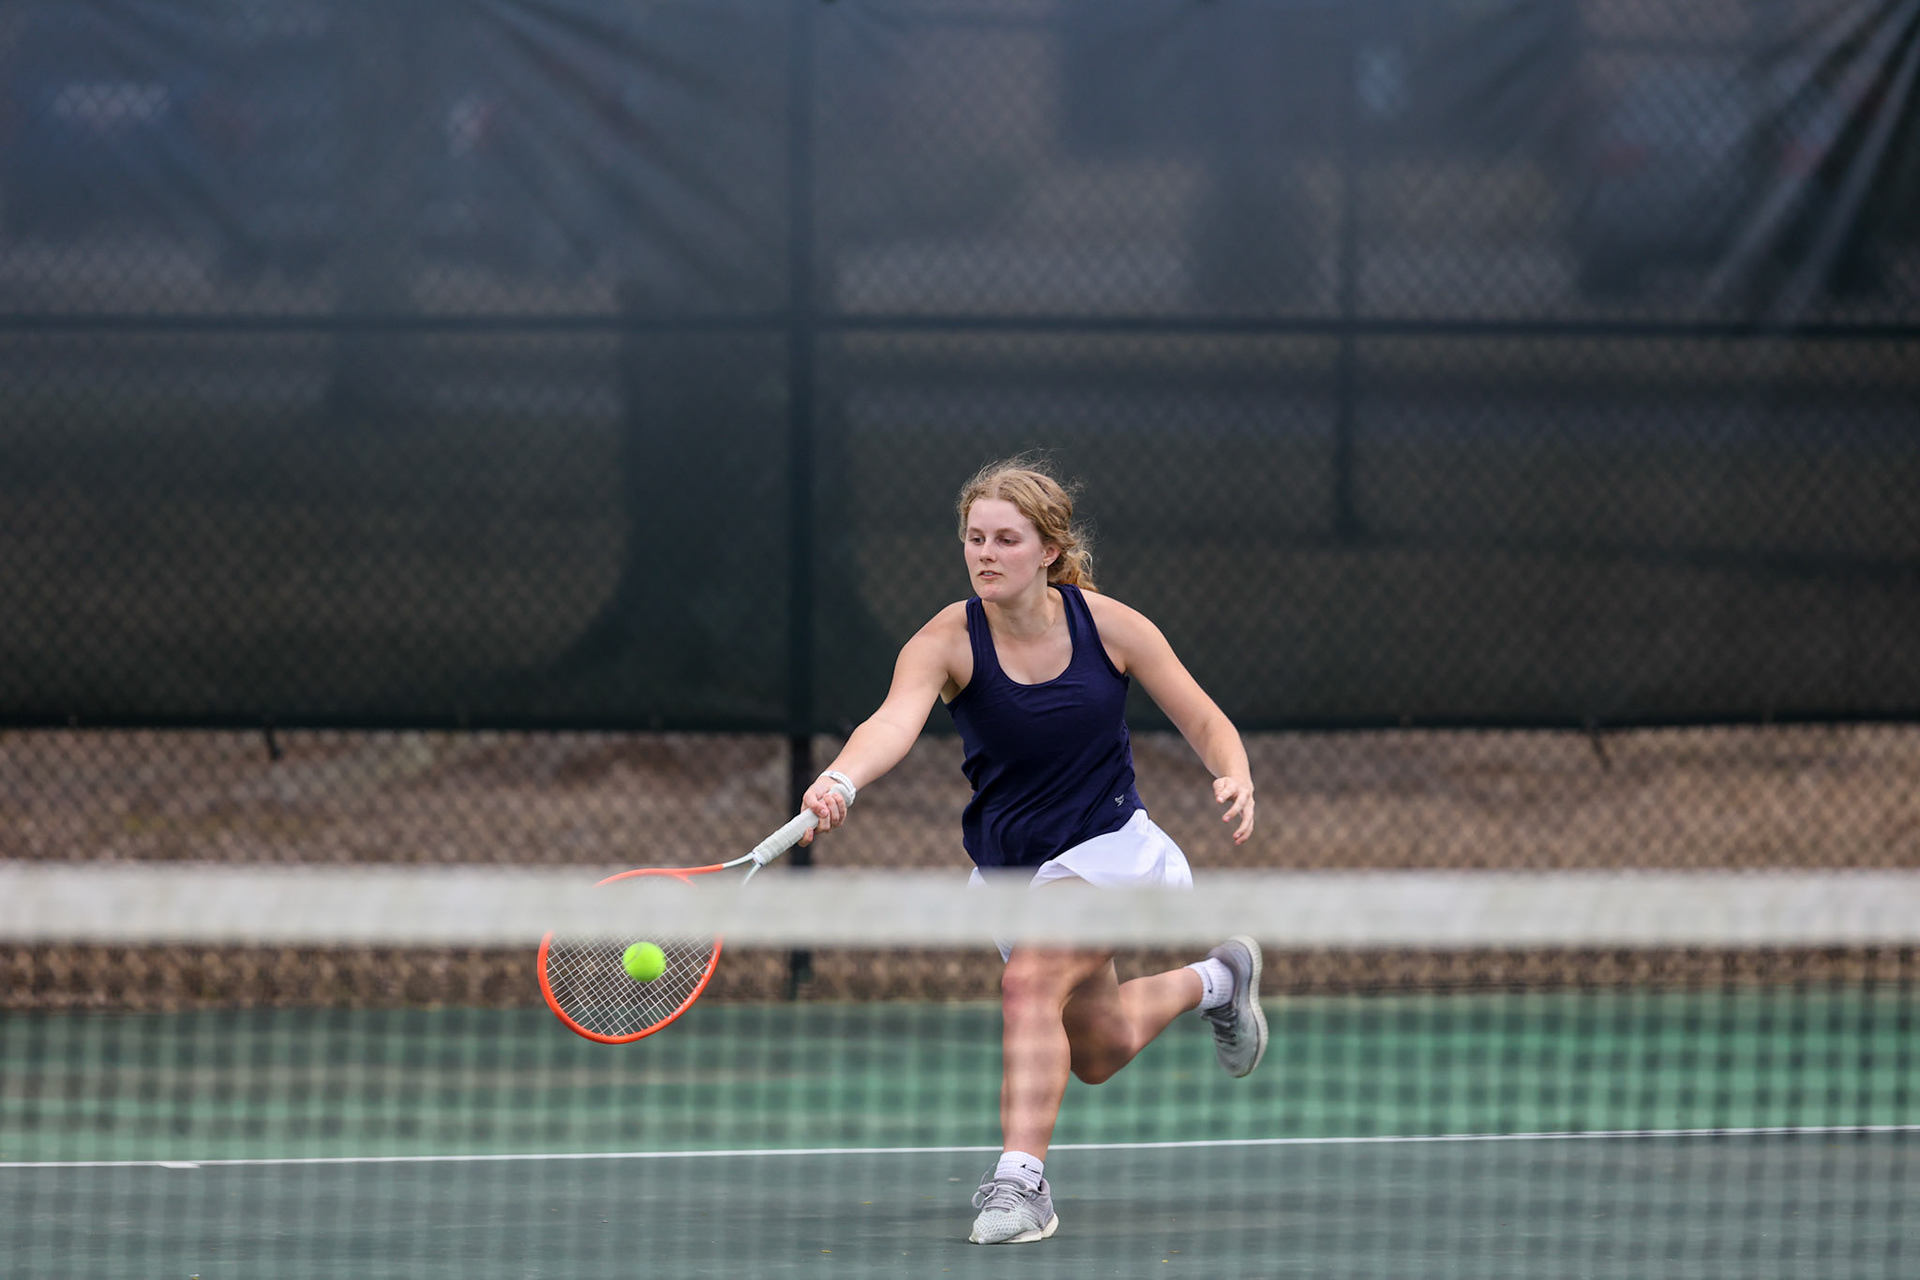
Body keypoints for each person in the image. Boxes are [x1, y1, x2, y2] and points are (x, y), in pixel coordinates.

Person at [798, 457, 1266, 1246]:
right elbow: (890, 722)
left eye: (1006, 539)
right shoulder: (946, 640)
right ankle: (1220, 979)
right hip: (1016, 871)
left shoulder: (1110, 626)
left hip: (1112, 851)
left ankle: (1022, 1185)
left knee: (1029, 979)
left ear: (1048, 549)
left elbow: (1204, 718)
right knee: (1099, 1048)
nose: (985, 553)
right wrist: (842, 777)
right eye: (975, 538)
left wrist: (1235, 773)